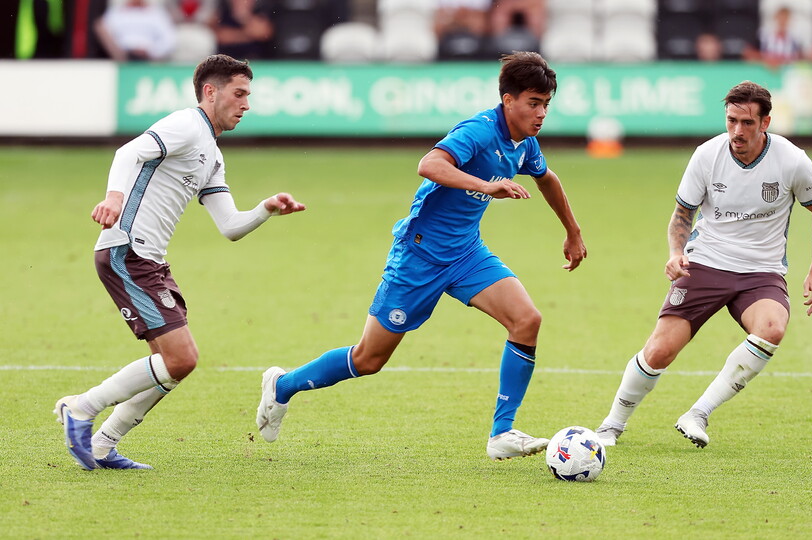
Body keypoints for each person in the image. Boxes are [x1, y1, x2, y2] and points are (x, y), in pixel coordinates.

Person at [257, 51, 587, 461]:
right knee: (369, 358)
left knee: (527, 320)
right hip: (419, 256)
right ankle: (282, 386)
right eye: (534, 103)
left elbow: (547, 178)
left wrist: (572, 232)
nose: (541, 114)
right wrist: (487, 185)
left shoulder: (524, 144)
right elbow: (429, 164)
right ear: (508, 101)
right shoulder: (479, 131)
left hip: (467, 253)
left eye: (546, 105)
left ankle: (502, 433)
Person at [54, 54, 306, 471]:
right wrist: (115, 196)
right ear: (211, 91)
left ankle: (102, 444)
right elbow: (129, 152)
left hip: (150, 259)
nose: (246, 104)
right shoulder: (187, 124)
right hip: (127, 250)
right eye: (239, 93)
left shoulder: (212, 151)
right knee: (181, 359)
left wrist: (265, 209)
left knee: (170, 368)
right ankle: (81, 409)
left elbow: (229, 226)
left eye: (248, 96)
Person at [595, 81, 812, 449]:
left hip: (761, 271)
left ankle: (698, 413)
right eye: (731, 120)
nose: (737, 131)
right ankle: (611, 426)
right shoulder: (707, 155)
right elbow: (681, 215)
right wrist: (676, 252)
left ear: (766, 122)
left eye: (747, 123)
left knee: (772, 328)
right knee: (660, 350)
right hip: (706, 262)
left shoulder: (791, 160)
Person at [94, 0, 177, 61]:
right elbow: (106, 33)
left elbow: (169, 39)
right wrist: (121, 53)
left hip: (149, 60)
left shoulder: (157, 13)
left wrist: (152, 52)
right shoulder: (115, 13)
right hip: (122, 58)